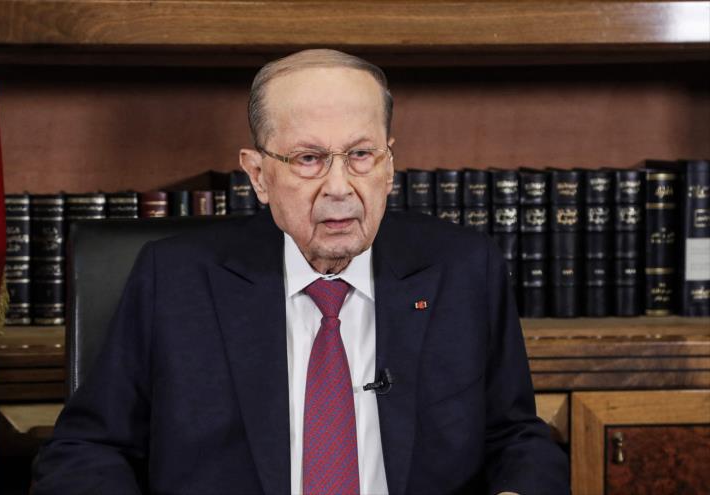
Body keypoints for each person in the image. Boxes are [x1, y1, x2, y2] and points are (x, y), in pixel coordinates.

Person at [32, 49, 570, 494]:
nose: (339, 187)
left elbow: (517, 438)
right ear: (259, 175)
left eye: (361, 154)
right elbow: (86, 451)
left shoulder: (461, 269)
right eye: (309, 159)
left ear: (389, 165)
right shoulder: (174, 280)